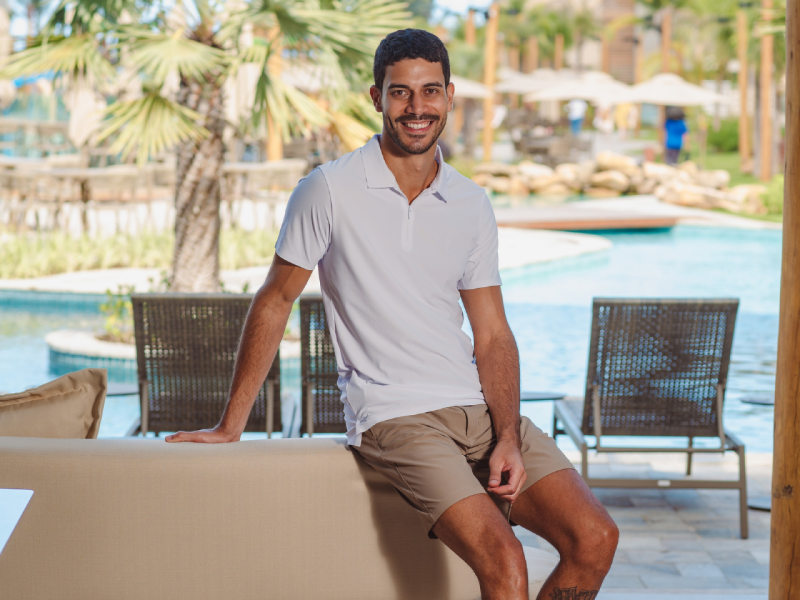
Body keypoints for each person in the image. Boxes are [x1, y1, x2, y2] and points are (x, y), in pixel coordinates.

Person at [166, 29, 618, 600]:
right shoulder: (327, 189)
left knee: (596, 537)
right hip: (394, 415)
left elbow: (493, 334)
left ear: (450, 97)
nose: (417, 107)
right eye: (401, 93)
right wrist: (232, 424)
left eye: (430, 92)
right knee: (506, 563)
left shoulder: (471, 203)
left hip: (475, 409)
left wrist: (507, 433)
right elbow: (275, 299)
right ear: (377, 98)